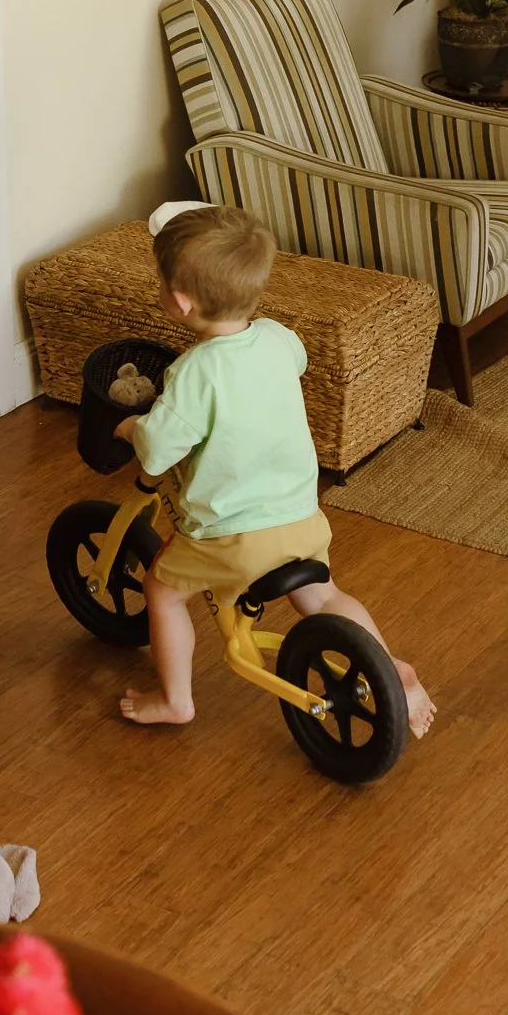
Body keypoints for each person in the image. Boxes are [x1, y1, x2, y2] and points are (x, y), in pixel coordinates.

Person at [114, 204, 435, 737]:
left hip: (230, 536)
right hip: (299, 516)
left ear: (179, 300)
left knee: (162, 591)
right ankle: (394, 670)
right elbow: (295, 364)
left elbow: (156, 451)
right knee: (324, 596)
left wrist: (129, 429)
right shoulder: (278, 337)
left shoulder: (192, 373)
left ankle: (174, 700)